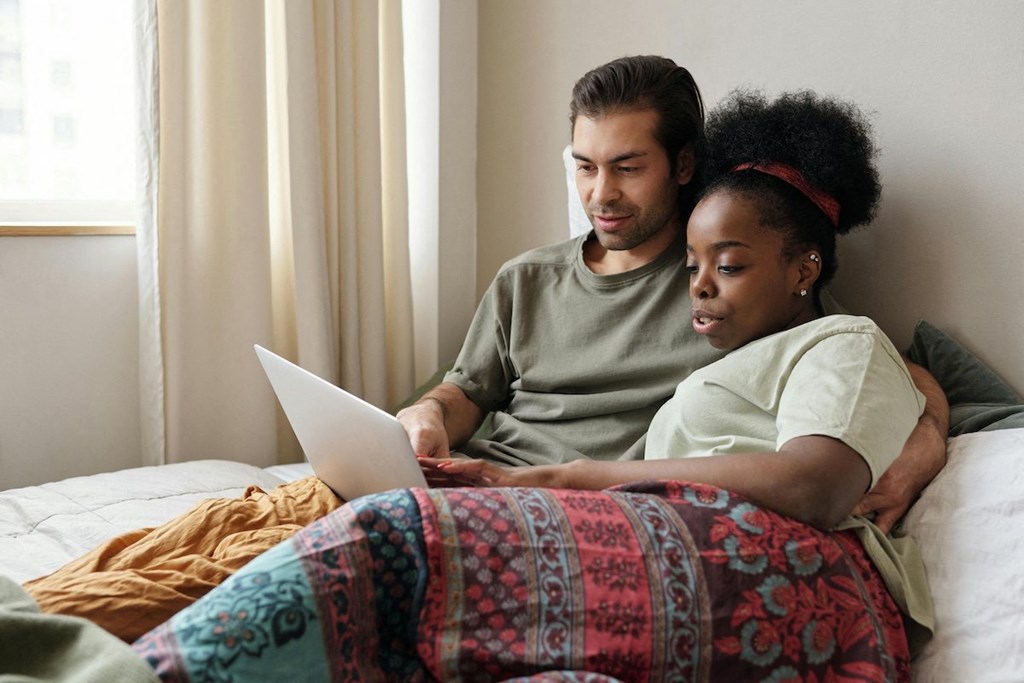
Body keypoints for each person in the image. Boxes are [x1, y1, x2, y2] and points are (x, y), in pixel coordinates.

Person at [132, 89, 929, 682]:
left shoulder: (835, 338)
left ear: (804, 268)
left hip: (771, 566)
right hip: (672, 545)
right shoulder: (715, 349)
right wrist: (428, 420)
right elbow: (457, 390)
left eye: (728, 265)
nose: (701, 287)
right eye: (694, 268)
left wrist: (571, 476)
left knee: (388, 538)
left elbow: (834, 456)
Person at [400, 55, 947, 532]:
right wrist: (426, 415)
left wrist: (927, 442)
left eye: (628, 168)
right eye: (585, 168)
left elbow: (882, 367)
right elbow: (465, 393)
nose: (601, 194)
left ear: (682, 164)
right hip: (469, 479)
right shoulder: (526, 279)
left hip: (572, 508)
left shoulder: (739, 284)